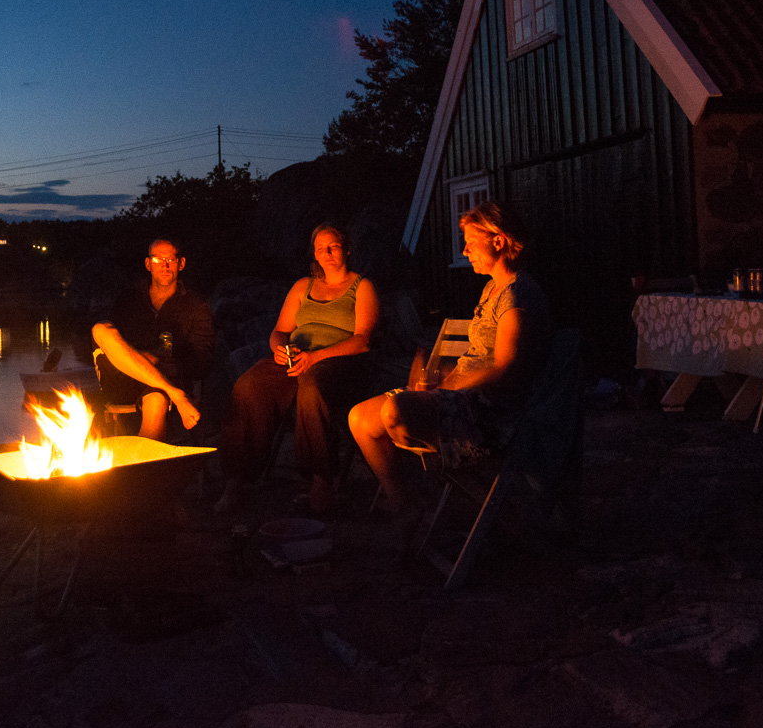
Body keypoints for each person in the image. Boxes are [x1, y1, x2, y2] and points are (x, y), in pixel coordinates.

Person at [349, 201, 550, 512]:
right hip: (461, 398)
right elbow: (476, 357)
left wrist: (448, 390)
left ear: (497, 241)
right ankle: (404, 507)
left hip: (489, 412)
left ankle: (430, 493)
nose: (465, 250)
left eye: (470, 242)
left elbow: (505, 368)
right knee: (360, 418)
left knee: (396, 411)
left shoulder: (518, 294)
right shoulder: (491, 290)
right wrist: (440, 380)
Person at [216, 224, 379, 514]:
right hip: (296, 359)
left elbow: (362, 341)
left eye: (333, 246)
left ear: (347, 249)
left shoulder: (361, 287)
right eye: (320, 248)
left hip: (337, 364)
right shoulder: (303, 286)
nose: (326, 253)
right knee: (250, 385)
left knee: (313, 386)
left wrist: (316, 358)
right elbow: (280, 331)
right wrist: (280, 349)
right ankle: (237, 480)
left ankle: (320, 481)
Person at [91, 238, 213, 439]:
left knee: (157, 399)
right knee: (100, 329)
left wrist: (163, 360)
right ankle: (174, 393)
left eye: (170, 260)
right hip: (125, 379)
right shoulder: (128, 299)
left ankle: (144, 468)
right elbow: (113, 347)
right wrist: (141, 357)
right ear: (148, 264)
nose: (164, 265)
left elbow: (204, 360)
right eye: (157, 260)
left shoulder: (196, 306)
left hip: (167, 379)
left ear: (180, 264)